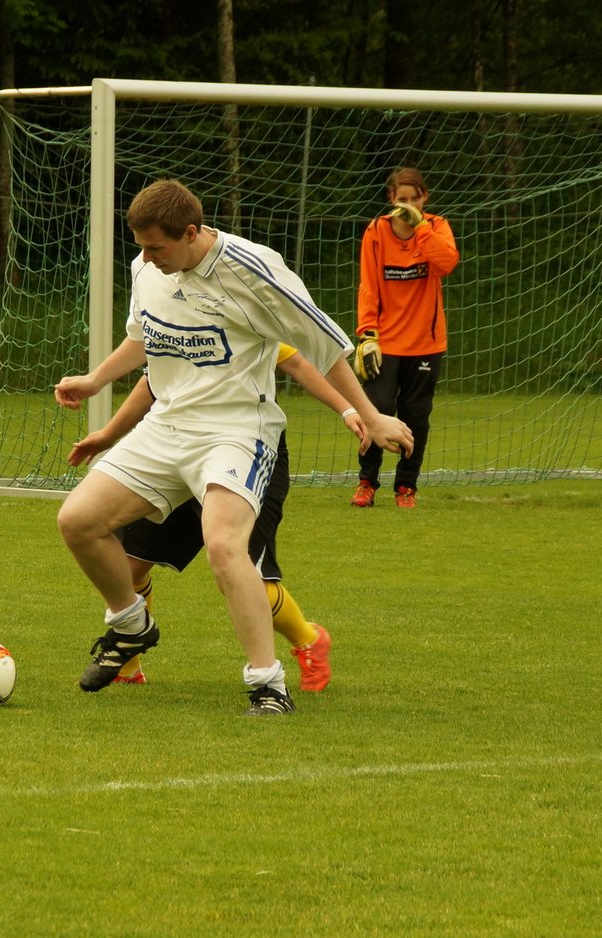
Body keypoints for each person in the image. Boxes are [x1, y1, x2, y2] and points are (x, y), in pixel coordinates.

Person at [54, 179, 413, 717]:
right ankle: (130, 625)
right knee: (78, 520)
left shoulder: (254, 269)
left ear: (191, 232)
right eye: (141, 247)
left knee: (224, 548)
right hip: (167, 424)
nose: (146, 258)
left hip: (237, 430)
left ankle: (268, 684)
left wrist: (369, 412)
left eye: (156, 247)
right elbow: (143, 339)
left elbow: (324, 346)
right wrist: (94, 380)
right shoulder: (147, 269)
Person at [68, 345, 364, 693]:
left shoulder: (244, 319)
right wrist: (108, 434)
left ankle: (308, 639)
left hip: (245, 448)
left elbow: (298, 362)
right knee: (128, 565)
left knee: (240, 572)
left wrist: (349, 410)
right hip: (174, 445)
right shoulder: (173, 324)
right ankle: (129, 666)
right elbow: (152, 381)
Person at [350, 167, 460, 509]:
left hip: (426, 344)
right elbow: (369, 284)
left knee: (416, 416)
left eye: (415, 199)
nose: (409, 205)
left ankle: (406, 487)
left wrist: (421, 227)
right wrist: (367, 334)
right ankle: (367, 482)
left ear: (425, 197)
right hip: (385, 343)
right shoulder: (377, 231)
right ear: (391, 199)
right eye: (402, 199)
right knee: (377, 410)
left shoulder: (437, 227)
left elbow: (446, 263)